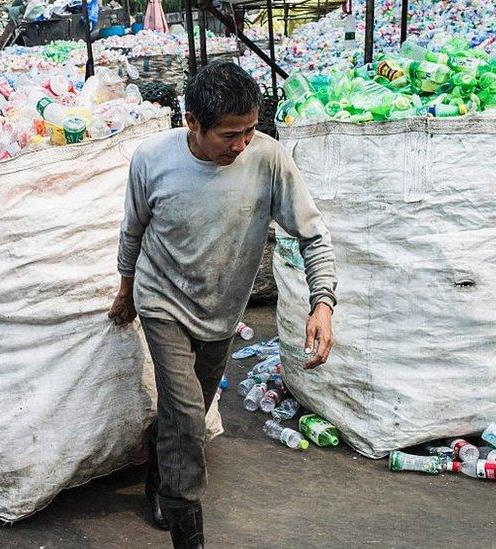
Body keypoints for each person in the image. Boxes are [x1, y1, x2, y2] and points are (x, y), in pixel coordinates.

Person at [108, 62, 338, 549]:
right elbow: (133, 229)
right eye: (229, 135)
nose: (241, 145)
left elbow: (313, 235)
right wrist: (126, 291)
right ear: (191, 121)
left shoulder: (268, 159)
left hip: (221, 311)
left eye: (250, 131)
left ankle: (159, 469)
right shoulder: (151, 158)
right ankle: (187, 528)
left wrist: (322, 303)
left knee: (189, 408)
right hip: (162, 300)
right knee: (189, 414)